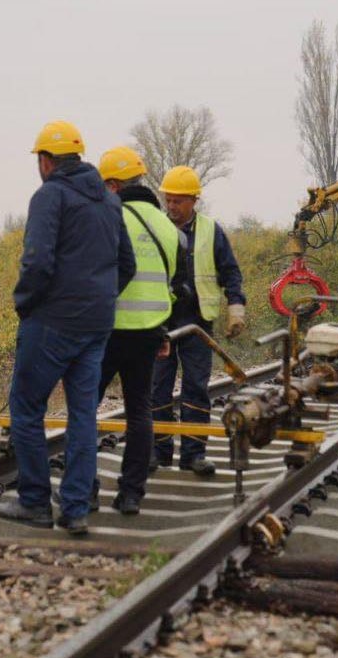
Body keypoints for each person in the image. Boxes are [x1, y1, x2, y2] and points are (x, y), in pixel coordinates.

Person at [0, 121, 134, 536]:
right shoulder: (109, 201)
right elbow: (127, 265)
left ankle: (34, 502)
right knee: (83, 415)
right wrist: (100, 299)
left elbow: (36, 261)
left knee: (27, 407)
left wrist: (26, 305)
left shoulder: (49, 196)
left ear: (46, 161)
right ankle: (74, 509)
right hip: (95, 325)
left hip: (52, 323)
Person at [93, 146, 182, 515]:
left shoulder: (110, 215)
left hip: (108, 328)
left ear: (112, 185)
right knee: (139, 410)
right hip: (149, 331)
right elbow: (171, 279)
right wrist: (161, 329)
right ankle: (131, 493)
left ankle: (84, 488)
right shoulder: (166, 224)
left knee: (85, 408)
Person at [150, 165, 246, 477]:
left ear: (194, 200)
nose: (172, 206)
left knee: (195, 388)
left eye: (178, 200)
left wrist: (236, 306)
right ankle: (158, 452)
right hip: (161, 322)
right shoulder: (157, 229)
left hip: (198, 322)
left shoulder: (211, 230)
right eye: (169, 200)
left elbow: (230, 271)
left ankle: (193, 453)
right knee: (157, 388)